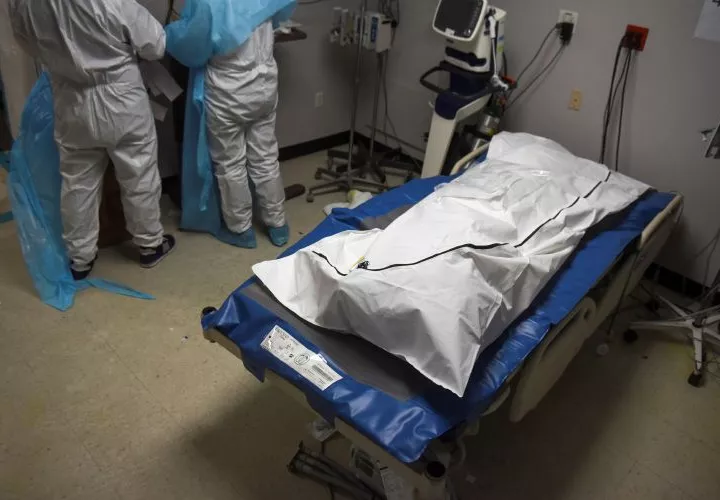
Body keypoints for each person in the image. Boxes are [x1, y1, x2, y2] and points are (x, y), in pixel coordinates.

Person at [10, 0, 176, 280]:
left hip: (71, 99)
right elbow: (155, 45)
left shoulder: (24, 5)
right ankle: (150, 245)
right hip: (121, 97)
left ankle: (80, 260)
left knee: (78, 181)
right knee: (138, 174)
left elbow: (28, 44)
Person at [205, 20, 289, 249]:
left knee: (230, 164)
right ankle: (278, 224)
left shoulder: (213, 4)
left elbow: (194, 45)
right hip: (263, 86)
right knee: (266, 158)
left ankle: (240, 229)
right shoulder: (260, 4)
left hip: (228, 90)